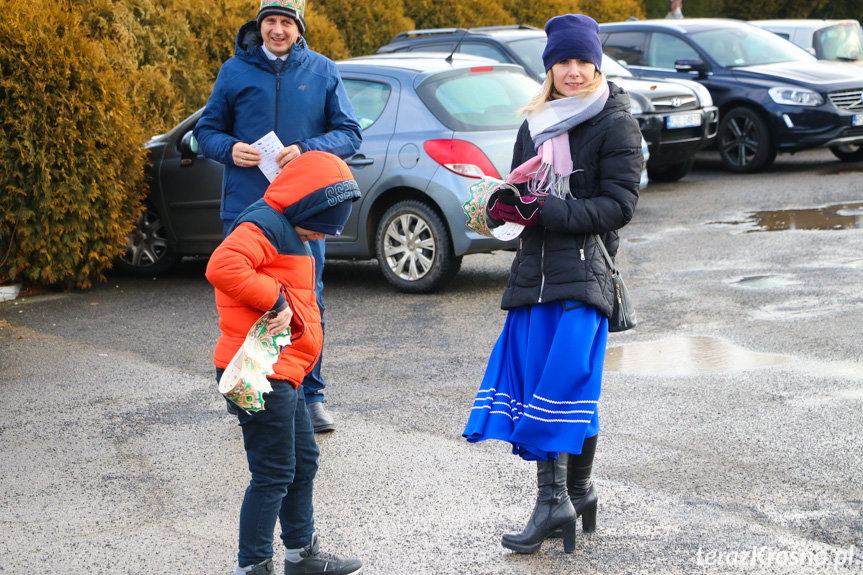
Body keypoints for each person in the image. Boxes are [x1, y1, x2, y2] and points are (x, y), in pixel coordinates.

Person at [462, 14, 642, 555]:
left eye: (581, 60)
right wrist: (502, 206)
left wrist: (547, 207)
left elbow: (619, 207)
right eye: (561, 61)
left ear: (596, 62)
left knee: (562, 390)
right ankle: (577, 493)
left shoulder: (616, 122)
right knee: (545, 389)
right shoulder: (535, 123)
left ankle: (553, 502)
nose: (571, 70)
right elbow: (525, 204)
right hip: (533, 273)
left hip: (584, 274)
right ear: (548, 66)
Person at [194, 0, 362, 432]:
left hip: (305, 211)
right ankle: (248, 393)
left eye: (286, 22)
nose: (278, 30)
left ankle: (310, 396)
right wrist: (228, 148)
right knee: (248, 299)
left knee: (307, 302)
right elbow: (206, 131)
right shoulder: (234, 71)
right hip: (248, 208)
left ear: (299, 27)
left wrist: (306, 149)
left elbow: (350, 133)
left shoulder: (323, 71)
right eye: (270, 21)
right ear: (260, 24)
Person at [206, 151, 363, 575]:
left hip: (283, 367)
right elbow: (222, 266)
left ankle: (301, 554)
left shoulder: (291, 227)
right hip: (256, 366)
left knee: (303, 459)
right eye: (321, 227)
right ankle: (253, 566)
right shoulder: (263, 224)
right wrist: (274, 299)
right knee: (273, 472)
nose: (321, 238)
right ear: (304, 205)